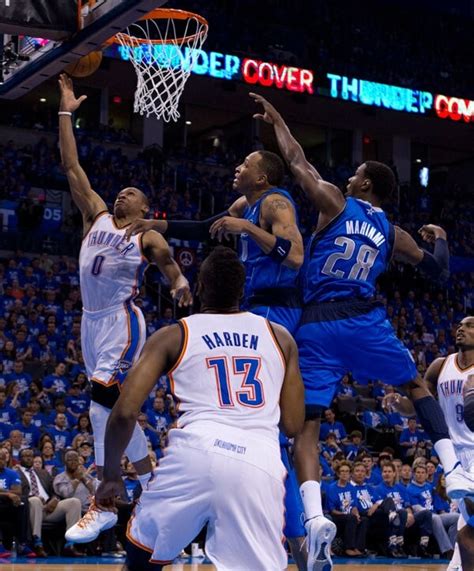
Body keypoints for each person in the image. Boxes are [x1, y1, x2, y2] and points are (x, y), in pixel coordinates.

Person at [250, 92, 470, 558]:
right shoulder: (393, 233)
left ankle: (313, 520)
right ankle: (453, 469)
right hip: (366, 321)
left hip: (316, 326)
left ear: (365, 184)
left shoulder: (334, 201)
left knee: (305, 428)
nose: (348, 178)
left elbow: (296, 161)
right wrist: (444, 239)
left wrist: (279, 122)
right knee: (414, 383)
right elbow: (438, 271)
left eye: (356, 174)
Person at [124, 152, 311, 567]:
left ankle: (303, 538)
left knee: (277, 440)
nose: (236, 168)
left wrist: (246, 228)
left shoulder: (276, 203)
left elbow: (295, 256)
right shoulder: (244, 205)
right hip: (253, 309)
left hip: (274, 309)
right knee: (265, 440)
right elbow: (208, 228)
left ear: (261, 176)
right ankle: (298, 540)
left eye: (244, 164)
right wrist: (158, 225)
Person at [93, 247, 305, 571]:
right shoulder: (281, 338)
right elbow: (292, 424)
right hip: (259, 463)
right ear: (243, 291)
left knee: (141, 562)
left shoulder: (173, 335)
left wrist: (110, 475)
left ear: (201, 287)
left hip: (195, 453)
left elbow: (123, 413)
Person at [57, 74, 191, 537]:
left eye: (131, 193)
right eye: (121, 191)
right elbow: (72, 167)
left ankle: (106, 497)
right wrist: (65, 113)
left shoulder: (145, 232)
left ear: (144, 205)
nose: (121, 194)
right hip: (89, 323)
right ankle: (153, 481)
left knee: (100, 400)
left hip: (121, 319)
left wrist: (178, 283)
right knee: (109, 406)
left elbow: (168, 261)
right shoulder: (95, 215)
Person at [388, 316, 474, 570]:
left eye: (470, 325)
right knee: (467, 528)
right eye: (460, 325)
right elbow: (417, 405)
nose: (462, 329)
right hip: (453, 457)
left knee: (468, 533)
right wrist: (397, 402)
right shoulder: (440, 365)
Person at [15, 448, 82, 558]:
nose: (28, 458)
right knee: (35, 501)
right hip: (31, 508)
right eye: (25, 456)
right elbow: (18, 495)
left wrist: (54, 500)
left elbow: (54, 492)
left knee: (74, 502)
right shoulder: (16, 474)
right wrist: (33, 496)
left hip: (49, 509)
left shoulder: (43, 473)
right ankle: (38, 543)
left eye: (31, 456)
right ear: (19, 459)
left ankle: (70, 544)